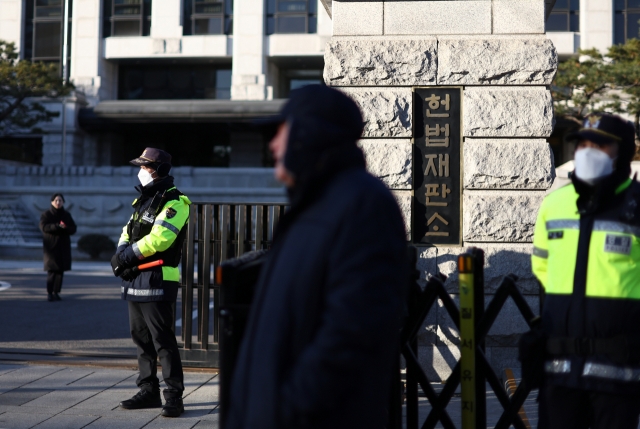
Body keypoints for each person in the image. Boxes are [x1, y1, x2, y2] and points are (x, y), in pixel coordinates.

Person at [226, 85, 408, 429]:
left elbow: (352, 331)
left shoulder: (363, 205)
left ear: (308, 136)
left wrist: (290, 408)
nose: (273, 145)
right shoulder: (311, 207)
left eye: (281, 132)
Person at [532, 112, 640, 429]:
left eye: (600, 145)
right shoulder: (554, 204)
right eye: (582, 144)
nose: (588, 151)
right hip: (561, 368)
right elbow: (542, 265)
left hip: (619, 369)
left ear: (623, 153)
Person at [110, 148, 191, 418]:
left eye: (145, 167)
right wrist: (121, 254)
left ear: (159, 170)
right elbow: (128, 230)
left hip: (159, 276)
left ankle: (173, 397)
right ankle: (148, 391)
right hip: (136, 276)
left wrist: (128, 256)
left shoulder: (175, 201)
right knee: (141, 340)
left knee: (162, 341)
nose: (141, 171)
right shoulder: (144, 199)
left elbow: (161, 239)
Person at [39, 193, 77, 302]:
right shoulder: (47, 214)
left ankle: (56, 292)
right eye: (56, 200)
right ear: (52, 202)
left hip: (63, 247)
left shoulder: (66, 215)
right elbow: (43, 226)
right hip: (51, 248)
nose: (58, 202)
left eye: (60, 200)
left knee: (60, 272)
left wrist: (65, 228)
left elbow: (73, 228)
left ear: (63, 202)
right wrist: (56, 226)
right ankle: (50, 293)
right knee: (52, 271)